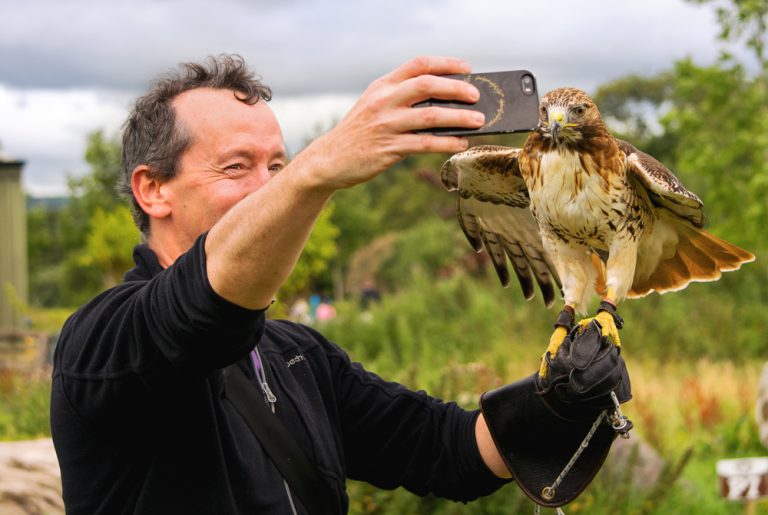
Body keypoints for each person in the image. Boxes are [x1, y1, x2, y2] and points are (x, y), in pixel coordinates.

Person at [50, 54, 631, 514]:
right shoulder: (102, 342)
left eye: (276, 166)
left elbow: (448, 450)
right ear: (153, 189)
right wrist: (313, 172)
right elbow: (199, 310)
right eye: (235, 167)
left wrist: (557, 398)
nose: (266, 186)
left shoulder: (298, 357)